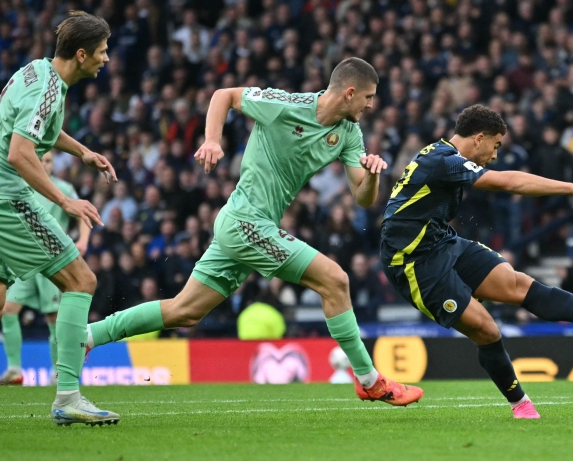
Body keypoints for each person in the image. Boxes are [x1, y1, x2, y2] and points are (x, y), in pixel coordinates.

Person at [85, 58, 422, 406]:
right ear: (349, 93)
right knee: (335, 279)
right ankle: (369, 379)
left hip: (248, 226)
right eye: (368, 97)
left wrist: (373, 174)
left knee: (184, 311)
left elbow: (362, 197)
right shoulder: (285, 105)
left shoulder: (349, 134)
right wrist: (213, 140)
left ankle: (87, 336)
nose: (371, 105)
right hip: (245, 221)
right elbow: (223, 95)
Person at [380, 105, 573, 420]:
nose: (494, 155)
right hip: (413, 261)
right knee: (487, 330)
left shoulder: (442, 155)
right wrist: (571, 188)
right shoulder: (443, 160)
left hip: (441, 241)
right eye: (495, 146)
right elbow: (510, 182)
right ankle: (520, 404)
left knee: (516, 283)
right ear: (479, 139)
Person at [0, 12, 118, 430]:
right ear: (81, 54)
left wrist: (81, 152)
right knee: (81, 281)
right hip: (3, 197)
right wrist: (65, 201)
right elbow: (19, 153)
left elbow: (38, 128)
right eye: (101, 52)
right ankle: (67, 397)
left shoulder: (36, 72)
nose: (106, 59)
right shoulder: (49, 89)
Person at [0, 150, 91, 385]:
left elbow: (82, 212)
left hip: (53, 260)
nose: (45, 165)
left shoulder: (62, 189)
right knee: (8, 309)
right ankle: (14, 369)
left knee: (54, 318)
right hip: (25, 262)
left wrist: (84, 240)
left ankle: (59, 372)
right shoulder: (21, 188)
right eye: (41, 160)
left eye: (49, 161)